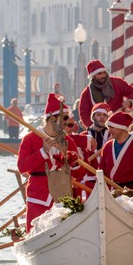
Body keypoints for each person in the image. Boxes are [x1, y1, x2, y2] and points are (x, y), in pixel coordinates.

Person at [17, 93, 84, 233]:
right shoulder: (30, 138)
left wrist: (73, 161)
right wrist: (43, 152)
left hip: (63, 194)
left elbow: (80, 173)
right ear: (53, 118)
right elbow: (22, 167)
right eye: (64, 118)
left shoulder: (67, 141)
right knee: (35, 231)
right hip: (39, 194)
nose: (67, 121)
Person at [78, 60, 133, 128]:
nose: (103, 76)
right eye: (99, 74)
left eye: (104, 73)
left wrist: (130, 101)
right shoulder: (86, 93)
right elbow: (84, 114)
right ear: (93, 76)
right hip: (98, 130)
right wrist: (94, 128)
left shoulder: (117, 82)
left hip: (119, 125)